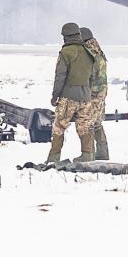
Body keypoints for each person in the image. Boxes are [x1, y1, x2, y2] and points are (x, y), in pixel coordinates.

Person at [45, 22, 101, 163]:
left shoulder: (65, 53)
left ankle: (54, 157)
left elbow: (60, 76)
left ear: (65, 36)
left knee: (59, 126)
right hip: (85, 96)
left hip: (68, 96)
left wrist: (55, 96)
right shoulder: (89, 52)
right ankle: (87, 154)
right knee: (85, 125)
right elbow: (94, 76)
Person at [81, 28, 111, 160]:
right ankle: (103, 152)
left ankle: (90, 154)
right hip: (101, 93)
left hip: (93, 93)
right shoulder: (98, 51)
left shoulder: (88, 52)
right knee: (97, 122)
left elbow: (88, 74)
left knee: (88, 122)